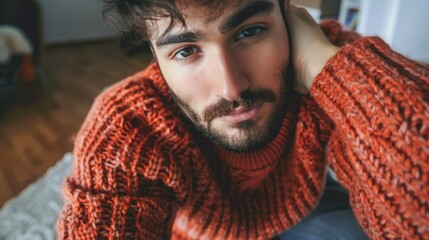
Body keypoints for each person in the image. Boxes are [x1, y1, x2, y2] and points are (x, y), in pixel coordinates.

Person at [57, 0, 429, 239]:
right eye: (186, 51)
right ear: (155, 57)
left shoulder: (328, 61)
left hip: (306, 210)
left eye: (250, 32)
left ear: (287, 16)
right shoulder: (129, 125)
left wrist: (325, 67)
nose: (231, 88)